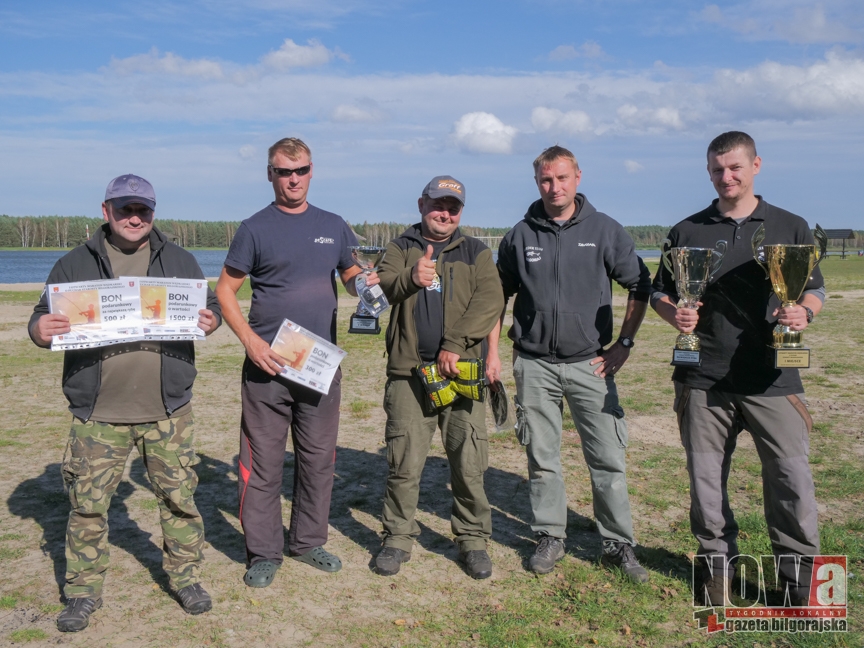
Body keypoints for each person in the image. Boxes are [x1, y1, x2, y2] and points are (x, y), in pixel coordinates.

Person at [29, 174, 222, 632]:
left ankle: (186, 577)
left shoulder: (179, 259)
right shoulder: (75, 263)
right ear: (106, 211)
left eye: (144, 210)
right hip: (99, 414)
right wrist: (39, 331)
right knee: (87, 508)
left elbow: (207, 307)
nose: (134, 217)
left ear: (154, 213)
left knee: (179, 500)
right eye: (124, 209)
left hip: (168, 410)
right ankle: (82, 591)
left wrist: (210, 320)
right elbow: (41, 317)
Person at [651, 131, 825, 606]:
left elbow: (815, 288)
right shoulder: (688, 231)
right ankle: (716, 577)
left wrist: (802, 312)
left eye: (734, 168)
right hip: (703, 380)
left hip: (773, 379)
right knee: (707, 486)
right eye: (716, 169)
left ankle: (801, 586)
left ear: (756, 166)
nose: (725, 177)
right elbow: (660, 292)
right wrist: (675, 315)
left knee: (791, 482)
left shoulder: (790, 226)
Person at [215, 137, 374, 588]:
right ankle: (263, 553)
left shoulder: (333, 224)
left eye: (300, 170)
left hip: (320, 364)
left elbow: (348, 277)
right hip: (269, 365)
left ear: (311, 171)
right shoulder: (254, 228)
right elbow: (226, 289)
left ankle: (307, 542)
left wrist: (364, 282)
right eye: (284, 171)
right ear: (270, 174)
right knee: (263, 463)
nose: (293, 179)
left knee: (318, 460)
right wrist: (249, 342)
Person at [491, 145, 652, 581]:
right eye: (546, 179)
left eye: (562, 178)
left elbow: (641, 285)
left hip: (591, 365)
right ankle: (550, 535)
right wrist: (494, 353)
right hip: (535, 364)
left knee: (607, 458)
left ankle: (618, 543)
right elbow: (497, 298)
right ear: (537, 181)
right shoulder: (520, 235)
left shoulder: (604, 230)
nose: (554, 187)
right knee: (542, 456)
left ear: (578, 177)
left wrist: (624, 343)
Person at [373, 176, 504, 579]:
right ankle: (397, 537)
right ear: (421, 204)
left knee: (468, 461)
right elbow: (382, 290)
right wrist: (412, 276)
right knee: (404, 462)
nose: (445, 213)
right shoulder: (399, 248)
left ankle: (472, 539)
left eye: (453, 207)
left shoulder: (477, 253)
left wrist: (455, 343)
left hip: (459, 371)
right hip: (409, 374)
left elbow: (491, 301)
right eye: (437, 204)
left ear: (461, 212)